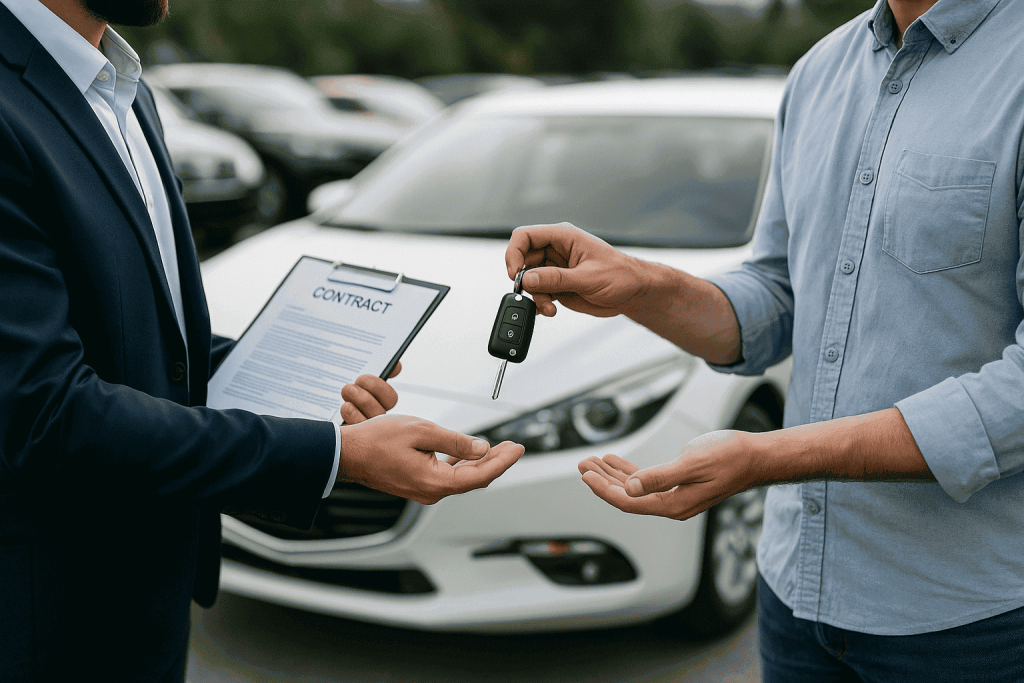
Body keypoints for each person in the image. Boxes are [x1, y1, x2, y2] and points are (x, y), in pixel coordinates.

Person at [500, 0, 1024, 680]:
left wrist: (768, 457)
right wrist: (639, 284)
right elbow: (778, 295)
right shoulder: (816, 74)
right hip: (792, 594)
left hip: (968, 625)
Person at [0, 0, 522, 680]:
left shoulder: (125, 89)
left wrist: (298, 375)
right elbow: (42, 415)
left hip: (144, 602)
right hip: (40, 625)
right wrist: (333, 453)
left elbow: (137, 336)